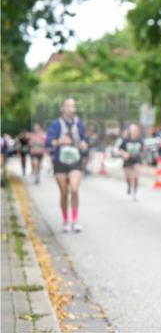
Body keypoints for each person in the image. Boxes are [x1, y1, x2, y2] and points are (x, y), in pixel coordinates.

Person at [45, 98, 89, 232]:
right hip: (60, 161)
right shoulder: (55, 124)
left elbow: (85, 141)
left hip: (75, 161)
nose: (70, 108)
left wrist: (84, 144)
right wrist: (59, 141)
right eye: (68, 106)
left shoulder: (79, 123)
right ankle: (65, 221)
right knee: (64, 193)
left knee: (74, 190)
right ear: (63, 108)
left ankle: (75, 221)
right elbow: (48, 142)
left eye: (73, 106)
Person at [118, 123, 144, 201]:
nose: (133, 131)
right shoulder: (125, 140)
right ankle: (129, 185)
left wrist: (142, 153)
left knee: (136, 177)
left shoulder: (140, 140)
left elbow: (143, 149)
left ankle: (135, 193)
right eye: (131, 129)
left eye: (134, 129)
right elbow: (120, 150)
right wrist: (124, 154)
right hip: (127, 161)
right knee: (128, 177)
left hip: (137, 160)